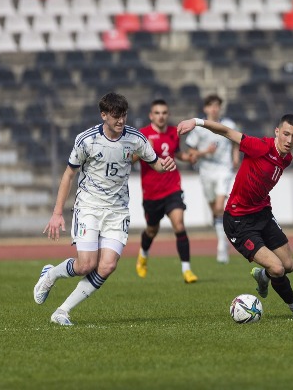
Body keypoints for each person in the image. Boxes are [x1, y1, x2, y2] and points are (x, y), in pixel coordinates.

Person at [35, 92, 177, 326]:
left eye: (124, 116)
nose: (121, 121)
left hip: (117, 210)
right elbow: (69, 174)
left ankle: (62, 311)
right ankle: (50, 274)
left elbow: (156, 164)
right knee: (85, 265)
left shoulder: (136, 139)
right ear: (103, 115)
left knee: (108, 265)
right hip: (89, 206)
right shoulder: (87, 140)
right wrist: (57, 213)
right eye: (115, 116)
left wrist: (166, 165)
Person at [177, 113, 293, 320]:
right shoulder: (260, 147)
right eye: (286, 134)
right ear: (277, 132)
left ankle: (262, 275)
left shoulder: (287, 158)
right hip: (239, 220)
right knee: (277, 267)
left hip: (263, 214)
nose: (289, 140)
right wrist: (196, 122)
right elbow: (227, 132)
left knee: (289, 266)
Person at [135, 99, 198, 283]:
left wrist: (189, 158)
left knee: (179, 224)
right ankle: (143, 256)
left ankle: (187, 270)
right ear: (151, 115)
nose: (161, 116)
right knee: (151, 230)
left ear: (168, 115)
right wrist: (144, 151)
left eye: (164, 113)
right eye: (157, 113)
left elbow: (176, 153)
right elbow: (130, 159)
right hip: (152, 193)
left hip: (172, 188)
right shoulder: (143, 135)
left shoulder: (173, 132)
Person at [185, 94, 240, 264]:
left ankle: (222, 246)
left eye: (217, 106)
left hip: (224, 169)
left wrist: (236, 157)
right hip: (206, 171)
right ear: (205, 109)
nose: (214, 109)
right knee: (215, 211)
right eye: (211, 106)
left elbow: (235, 142)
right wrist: (204, 152)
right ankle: (222, 236)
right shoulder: (199, 128)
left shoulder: (229, 124)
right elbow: (191, 153)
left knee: (219, 206)